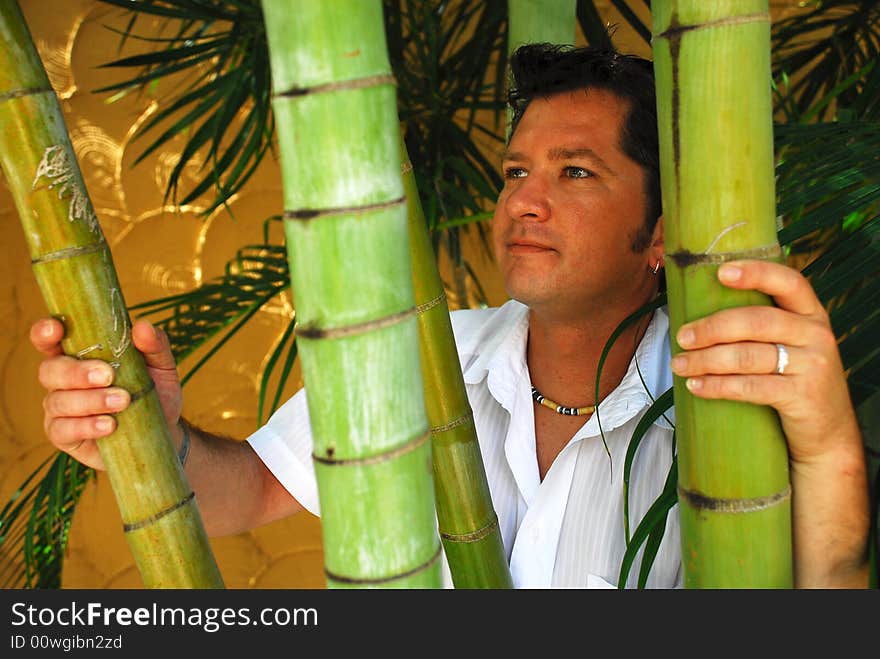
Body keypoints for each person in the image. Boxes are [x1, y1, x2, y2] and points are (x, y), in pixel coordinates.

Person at [30, 43, 870, 588]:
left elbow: (826, 589)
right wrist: (153, 436)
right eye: (513, 172)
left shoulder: (729, 397)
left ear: (659, 232)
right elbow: (244, 493)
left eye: (574, 173)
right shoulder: (422, 356)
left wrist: (829, 447)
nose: (525, 201)